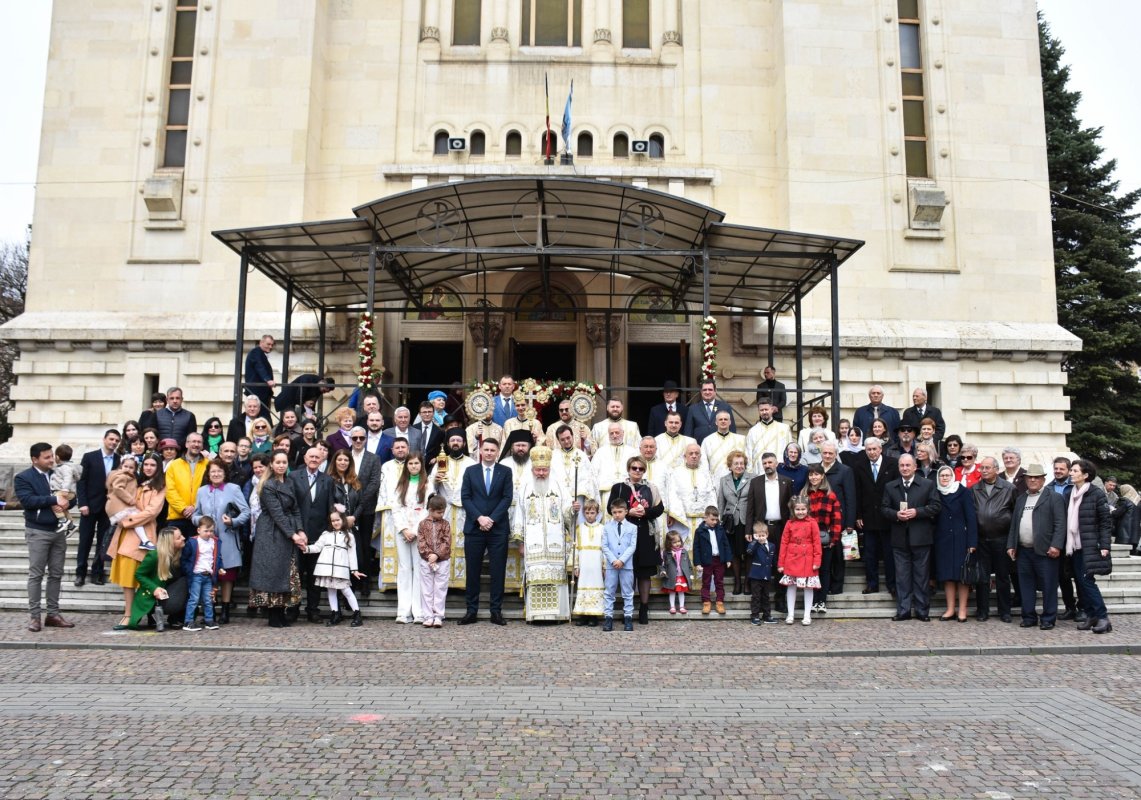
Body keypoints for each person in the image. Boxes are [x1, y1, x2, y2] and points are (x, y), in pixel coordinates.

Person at [16, 442, 77, 632]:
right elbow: (27, 500)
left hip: (58, 531)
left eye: (52, 456)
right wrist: (53, 499)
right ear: (35, 459)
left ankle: (53, 614)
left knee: (56, 574)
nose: (52, 460)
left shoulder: (58, 473)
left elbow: (71, 496)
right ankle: (35, 617)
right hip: (37, 531)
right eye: (47, 457)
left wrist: (68, 502)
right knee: (36, 575)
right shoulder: (23, 477)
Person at [514, 446, 573, 623]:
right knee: (535, 577)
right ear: (532, 469)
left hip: (556, 543)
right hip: (533, 544)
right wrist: (520, 542)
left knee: (556, 577)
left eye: (544, 470)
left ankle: (558, 615)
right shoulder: (525, 487)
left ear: (549, 468)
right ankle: (536, 615)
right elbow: (519, 515)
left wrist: (573, 509)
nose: (541, 473)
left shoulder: (559, 486)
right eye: (538, 470)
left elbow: (567, 512)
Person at [105, 455, 165, 629]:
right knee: (127, 578)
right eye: (146, 464)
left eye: (152, 465)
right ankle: (129, 614)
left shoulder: (160, 486)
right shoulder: (134, 481)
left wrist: (127, 521)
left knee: (141, 576)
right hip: (126, 532)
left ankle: (136, 614)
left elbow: (151, 512)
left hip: (142, 532)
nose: (148, 467)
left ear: (158, 467)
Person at [880, 454, 941, 622]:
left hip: (921, 537)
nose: (905, 468)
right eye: (902, 465)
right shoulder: (891, 486)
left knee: (922, 576)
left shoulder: (927, 484)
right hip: (899, 538)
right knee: (902, 576)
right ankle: (903, 610)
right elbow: (884, 508)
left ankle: (922, 611)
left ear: (915, 467)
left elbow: (936, 506)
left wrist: (917, 512)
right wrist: (896, 514)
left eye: (908, 465)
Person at [249, 451, 306, 628]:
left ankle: (281, 611)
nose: (281, 465)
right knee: (273, 571)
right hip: (271, 532)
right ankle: (273, 614)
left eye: (284, 462)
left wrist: (300, 530)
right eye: (278, 462)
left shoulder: (289, 482)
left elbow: (295, 509)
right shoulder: (267, 485)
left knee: (287, 571)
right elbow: (277, 514)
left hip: (287, 529)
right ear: (272, 465)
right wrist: (293, 535)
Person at [1006, 463, 1066, 630]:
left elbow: (1060, 524)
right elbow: (1014, 524)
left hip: (1046, 551)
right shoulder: (1021, 499)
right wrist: (1011, 544)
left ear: (1043, 480)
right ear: (1025, 480)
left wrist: (1056, 545)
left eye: (1036, 477)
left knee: (1048, 585)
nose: (1032, 480)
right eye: (1030, 477)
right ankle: (1028, 617)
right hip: (1023, 551)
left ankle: (1048, 618)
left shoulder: (1054, 497)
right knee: (1026, 586)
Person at [459, 438, 513, 625]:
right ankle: (471, 611)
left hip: (498, 528)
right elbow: (465, 497)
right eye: (486, 449)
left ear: (497, 452)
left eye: (492, 450)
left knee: (498, 570)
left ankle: (496, 611)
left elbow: (507, 498)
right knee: (472, 570)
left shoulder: (505, 471)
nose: (489, 453)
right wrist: (479, 518)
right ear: (480, 451)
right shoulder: (470, 471)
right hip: (474, 527)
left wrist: (492, 519)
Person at [608, 455, 665, 625]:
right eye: (634, 468)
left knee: (644, 573)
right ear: (628, 469)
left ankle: (644, 609)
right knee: (629, 572)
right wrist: (628, 512)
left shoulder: (651, 488)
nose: (637, 471)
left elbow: (660, 509)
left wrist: (645, 512)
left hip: (646, 533)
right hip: (625, 534)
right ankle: (628, 609)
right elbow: (610, 507)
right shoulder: (619, 488)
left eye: (641, 468)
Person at [193, 460, 250, 624]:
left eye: (219, 471)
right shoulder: (202, 491)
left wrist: (233, 521)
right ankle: (209, 610)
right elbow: (195, 514)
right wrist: (201, 520)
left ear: (225, 473)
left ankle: (225, 610)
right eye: (213, 471)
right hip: (207, 542)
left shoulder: (233, 489)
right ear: (208, 474)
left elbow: (246, 512)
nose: (216, 474)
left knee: (227, 576)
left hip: (228, 538)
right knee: (207, 574)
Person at [1065, 458, 1113, 634]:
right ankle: (1092, 616)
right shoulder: (1070, 493)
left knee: (1087, 581)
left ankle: (1103, 617)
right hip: (1075, 546)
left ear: (1085, 475)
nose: (1071, 473)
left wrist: (1105, 545)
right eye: (1071, 470)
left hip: (1090, 545)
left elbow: (1105, 522)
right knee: (1081, 582)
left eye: (1075, 471)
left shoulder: (1096, 494)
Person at [743, 452, 795, 613]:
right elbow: (750, 508)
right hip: (761, 529)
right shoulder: (756, 482)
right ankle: (758, 600)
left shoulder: (787, 481)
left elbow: (791, 508)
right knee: (759, 562)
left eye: (770, 462)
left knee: (781, 562)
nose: (767, 465)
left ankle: (780, 600)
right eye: (765, 463)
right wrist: (749, 529)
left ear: (776, 463)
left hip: (781, 528)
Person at [289, 445, 334, 623]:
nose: (314, 459)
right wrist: (296, 530)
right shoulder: (294, 477)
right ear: (305, 459)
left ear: (322, 460)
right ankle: (293, 609)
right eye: (311, 457)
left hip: (318, 535)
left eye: (317, 457)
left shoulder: (327, 480)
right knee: (296, 574)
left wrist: (328, 533)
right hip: (297, 534)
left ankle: (313, 609)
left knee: (315, 575)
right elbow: (291, 505)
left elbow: (330, 507)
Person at [851, 436, 899, 597]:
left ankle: (892, 585)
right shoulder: (859, 466)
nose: (872, 452)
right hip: (868, 516)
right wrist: (858, 515)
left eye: (874, 449)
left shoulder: (892, 464)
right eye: (868, 450)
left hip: (888, 516)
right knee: (870, 554)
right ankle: (872, 584)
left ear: (880, 449)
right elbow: (857, 492)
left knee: (889, 554)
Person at [429, 428, 477, 590]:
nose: (455, 443)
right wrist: (435, 481)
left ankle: (462, 582)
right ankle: (444, 583)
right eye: (452, 440)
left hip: (465, 512)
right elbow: (430, 488)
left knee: (464, 545)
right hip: (445, 512)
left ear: (464, 443)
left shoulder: (472, 463)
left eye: (458, 440)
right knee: (442, 544)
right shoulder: (440, 462)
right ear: (447, 443)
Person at [74, 429, 122, 587]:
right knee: (85, 541)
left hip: (108, 508)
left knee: (103, 542)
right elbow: (81, 481)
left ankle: (97, 573)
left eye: (116, 440)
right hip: (89, 506)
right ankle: (80, 573)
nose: (113, 442)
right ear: (104, 439)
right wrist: (82, 503)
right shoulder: (89, 457)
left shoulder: (119, 460)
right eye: (111, 439)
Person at [972, 456, 1016, 623]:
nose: (983, 471)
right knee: (982, 577)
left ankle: (1005, 611)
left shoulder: (1009, 488)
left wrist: (1012, 541)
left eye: (987, 468)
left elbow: (1015, 513)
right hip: (981, 539)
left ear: (996, 470)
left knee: (1002, 577)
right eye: (982, 468)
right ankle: (982, 610)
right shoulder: (974, 489)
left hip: (1001, 539)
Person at [304, 509, 364, 627]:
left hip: (340, 569)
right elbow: (317, 547)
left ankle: (357, 614)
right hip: (327, 569)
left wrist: (354, 570)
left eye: (338, 520)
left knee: (346, 591)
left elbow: (352, 554)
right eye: (333, 521)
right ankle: (335, 614)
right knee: (331, 591)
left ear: (343, 520)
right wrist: (306, 548)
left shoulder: (349, 536)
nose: (335, 523)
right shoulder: (326, 535)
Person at [933, 465, 978, 622]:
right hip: (943, 540)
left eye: (947, 475)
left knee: (962, 576)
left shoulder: (963, 492)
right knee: (948, 576)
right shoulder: (936, 492)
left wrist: (972, 542)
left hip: (961, 539)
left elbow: (971, 518)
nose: (944, 478)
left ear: (952, 476)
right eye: (941, 475)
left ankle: (962, 610)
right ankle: (950, 609)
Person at [391, 452, 429, 624]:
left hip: (419, 532)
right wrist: (404, 529)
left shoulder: (427, 485)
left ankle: (418, 611)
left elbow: (427, 509)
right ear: (406, 466)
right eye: (411, 463)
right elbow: (396, 508)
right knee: (404, 568)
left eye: (416, 463)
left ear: (421, 465)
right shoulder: (400, 485)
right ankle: (403, 611)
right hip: (403, 532)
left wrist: (414, 530)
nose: (414, 466)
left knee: (419, 569)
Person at [127, 526, 185, 631]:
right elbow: (139, 574)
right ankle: (153, 613)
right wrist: (154, 588)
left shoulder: (181, 553)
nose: (183, 538)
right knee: (186, 581)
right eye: (179, 537)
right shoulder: (154, 555)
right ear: (169, 543)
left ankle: (175, 618)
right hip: (155, 597)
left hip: (170, 592)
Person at [777, 496, 823, 625]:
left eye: (803, 509)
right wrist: (781, 563)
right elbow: (784, 543)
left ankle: (807, 615)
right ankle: (790, 614)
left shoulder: (812, 523)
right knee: (791, 587)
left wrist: (817, 560)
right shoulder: (789, 523)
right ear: (793, 510)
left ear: (808, 509)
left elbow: (817, 543)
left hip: (807, 559)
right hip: (791, 558)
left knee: (808, 588)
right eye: (798, 509)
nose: (801, 512)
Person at [804, 464, 842, 615]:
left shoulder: (830, 495)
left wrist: (834, 538)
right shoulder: (804, 494)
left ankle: (822, 601)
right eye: (811, 474)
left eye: (816, 474)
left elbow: (836, 518)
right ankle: (813, 600)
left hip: (825, 538)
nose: (813, 477)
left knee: (825, 570)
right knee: (812, 570)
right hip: (808, 539)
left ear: (822, 476)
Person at [717, 450, 754, 595]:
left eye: (741, 463)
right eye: (736, 463)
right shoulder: (724, 480)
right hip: (731, 522)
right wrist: (720, 521)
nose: (739, 466)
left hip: (747, 521)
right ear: (730, 466)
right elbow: (721, 502)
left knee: (749, 552)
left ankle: (747, 583)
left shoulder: (753, 478)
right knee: (734, 553)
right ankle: (737, 582)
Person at [165, 431, 210, 539]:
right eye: (193, 441)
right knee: (175, 548)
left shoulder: (208, 465)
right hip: (177, 516)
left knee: (196, 549)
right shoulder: (174, 465)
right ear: (186, 444)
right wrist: (183, 509)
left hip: (200, 517)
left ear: (202, 445)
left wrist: (195, 507)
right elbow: (170, 490)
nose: (196, 444)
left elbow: (210, 490)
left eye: (199, 442)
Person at [181, 516, 223, 631]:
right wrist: (188, 570)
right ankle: (188, 621)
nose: (209, 533)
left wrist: (220, 568)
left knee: (208, 599)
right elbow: (185, 558)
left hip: (208, 575)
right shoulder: (193, 542)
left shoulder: (215, 542)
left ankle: (209, 620)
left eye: (211, 531)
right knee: (194, 599)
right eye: (206, 531)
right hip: (196, 575)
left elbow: (217, 558)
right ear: (199, 530)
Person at [601, 499, 637, 632]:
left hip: (626, 565)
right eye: (614, 512)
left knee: (627, 592)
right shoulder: (607, 527)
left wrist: (621, 560)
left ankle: (628, 618)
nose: (617, 515)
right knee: (609, 591)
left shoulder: (632, 527)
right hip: (612, 565)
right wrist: (613, 560)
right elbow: (604, 546)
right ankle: (608, 618)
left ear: (626, 511)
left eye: (620, 512)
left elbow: (632, 546)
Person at [417, 495, 451, 628]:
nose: (441, 515)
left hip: (442, 561)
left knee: (440, 589)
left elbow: (447, 542)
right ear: (430, 510)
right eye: (439, 512)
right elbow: (421, 542)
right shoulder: (422, 524)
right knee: (427, 589)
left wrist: (437, 555)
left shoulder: (445, 524)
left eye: (443, 512)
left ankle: (438, 616)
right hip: (426, 561)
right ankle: (428, 616)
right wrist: (429, 555)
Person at [104, 456, 152, 551]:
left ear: (135, 469)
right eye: (125, 466)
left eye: (131, 467)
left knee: (135, 519)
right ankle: (145, 540)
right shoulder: (122, 476)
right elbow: (118, 488)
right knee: (136, 518)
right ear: (121, 466)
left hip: (121, 505)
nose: (128, 469)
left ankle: (144, 540)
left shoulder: (129, 476)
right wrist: (130, 500)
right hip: (118, 506)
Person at [571, 498, 605, 625]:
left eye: (592, 513)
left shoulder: (602, 528)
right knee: (583, 586)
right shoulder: (579, 529)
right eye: (587, 513)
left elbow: (605, 549)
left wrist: (604, 566)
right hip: (584, 563)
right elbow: (576, 548)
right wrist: (576, 566)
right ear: (583, 513)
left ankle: (594, 616)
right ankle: (583, 615)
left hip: (596, 563)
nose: (590, 515)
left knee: (596, 585)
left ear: (597, 513)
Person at [692, 506, 732, 615]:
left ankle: (719, 602)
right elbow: (696, 548)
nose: (714, 522)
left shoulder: (720, 529)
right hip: (706, 560)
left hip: (719, 560)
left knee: (719, 581)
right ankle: (706, 602)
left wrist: (728, 559)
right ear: (705, 518)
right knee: (706, 582)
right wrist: (698, 563)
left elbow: (726, 544)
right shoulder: (699, 531)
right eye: (712, 519)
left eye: (716, 520)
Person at [592, 422, 639, 513]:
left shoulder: (632, 452)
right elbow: (593, 474)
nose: (614, 435)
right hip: (607, 492)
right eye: (611, 433)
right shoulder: (600, 452)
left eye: (617, 432)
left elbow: (638, 472)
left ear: (623, 433)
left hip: (627, 491)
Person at [684, 380, 736, 444]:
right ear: (701, 391)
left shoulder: (725, 407)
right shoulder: (693, 409)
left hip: (721, 445)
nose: (707, 392)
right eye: (704, 390)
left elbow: (732, 429)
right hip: (699, 446)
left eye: (710, 390)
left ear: (715, 391)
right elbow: (688, 432)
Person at [701, 410, 746, 481]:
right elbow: (703, 464)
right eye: (720, 419)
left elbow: (746, 461)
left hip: (736, 479)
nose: (723, 421)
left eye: (725, 419)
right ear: (716, 422)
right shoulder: (707, 441)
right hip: (715, 480)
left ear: (730, 422)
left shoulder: (741, 439)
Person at [745, 401, 792, 470]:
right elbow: (748, 453)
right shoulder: (752, 431)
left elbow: (789, 450)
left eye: (766, 409)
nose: (764, 412)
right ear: (759, 411)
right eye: (761, 410)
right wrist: (749, 470)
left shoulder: (784, 428)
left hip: (779, 469)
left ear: (772, 410)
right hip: (759, 470)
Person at [746, 521, 777, 624]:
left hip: (766, 575)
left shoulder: (772, 546)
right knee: (756, 597)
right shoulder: (754, 545)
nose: (761, 538)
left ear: (767, 534)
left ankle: (767, 615)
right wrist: (755, 541)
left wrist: (778, 566)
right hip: (756, 576)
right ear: (755, 535)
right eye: (759, 536)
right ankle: (754, 616)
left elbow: (773, 559)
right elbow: (749, 551)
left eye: (763, 535)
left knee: (766, 597)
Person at [661, 529, 694, 615]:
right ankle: (672, 606)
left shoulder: (684, 551)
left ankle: (682, 606)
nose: (677, 544)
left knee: (681, 592)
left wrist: (691, 574)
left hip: (682, 576)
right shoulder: (666, 553)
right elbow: (663, 564)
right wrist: (663, 571)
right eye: (674, 542)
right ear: (669, 543)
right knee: (672, 592)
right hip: (672, 576)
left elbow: (689, 564)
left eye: (679, 541)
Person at [49, 445, 80, 535]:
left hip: (65, 491)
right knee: (62, 509)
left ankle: (62, 520)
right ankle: (71, 526)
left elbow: (67, 478)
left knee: (53, 501)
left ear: (57, 457)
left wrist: (65, 489)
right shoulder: (62, 466)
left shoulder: (66, 467)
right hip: (64, 491)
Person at [244, 334, 277, 409]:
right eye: (268, 344)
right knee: (260, 414)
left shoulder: (260, 353)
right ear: (261, 342)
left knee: (264, 414)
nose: (270, 347)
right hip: (257, 393)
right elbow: (259, 366)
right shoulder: (255, 352)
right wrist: (268, 380)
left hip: (261, 392)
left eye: (272, 345)